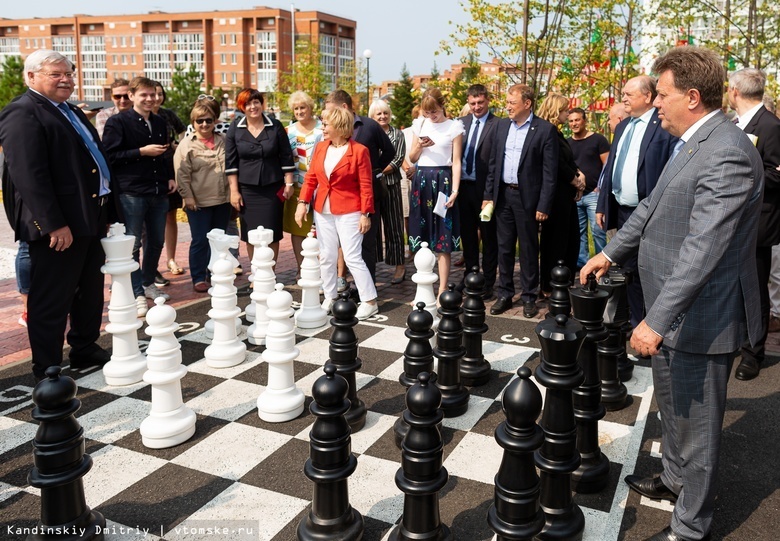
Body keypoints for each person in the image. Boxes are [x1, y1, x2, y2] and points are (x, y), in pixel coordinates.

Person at [581, 46, 764, 541]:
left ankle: (690, 526)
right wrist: (609, 254)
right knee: (675, 408)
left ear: (693, 96)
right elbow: (650, 209)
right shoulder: (690, 141)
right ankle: (675, 480)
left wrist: (655, 320)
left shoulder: (727, 152)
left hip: (702, 313)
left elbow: (703, 251)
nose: (655, 103)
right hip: (670, 305)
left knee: (699, 425)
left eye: (661, 95)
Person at [0, 49, 119, 381]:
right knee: (52, 298)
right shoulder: (22, 113)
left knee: (88, 290)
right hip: (59, 224)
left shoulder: (70, 110)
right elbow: (29, 176)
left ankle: (83, 346)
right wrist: (53, 223)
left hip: (90, 216)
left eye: (69, 73)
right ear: (32, 77)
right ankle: (47, 365)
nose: (66, 79)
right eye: (57, 74)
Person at [596, 75, 678, 329]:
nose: (623, 99)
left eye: (628, 94)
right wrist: (603, 204)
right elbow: (611, 169)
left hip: (650, 212)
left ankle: (653, 324)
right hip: (621, 210)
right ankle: (632, 321)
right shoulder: (622, 127)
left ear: (647, 97)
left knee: (649, 270)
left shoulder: (662, 126)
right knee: (627, 269)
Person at [294, 107, 379, 320]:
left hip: (350, 210)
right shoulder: (321, 147)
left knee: (352, 257)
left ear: (340, 127)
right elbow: (311, 178)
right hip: (323, 209)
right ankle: (330, 296)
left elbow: (366, 185)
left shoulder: (359, 151)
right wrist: (302, 202)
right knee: (327, 256)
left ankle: (370, 300)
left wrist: (365, 214)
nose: (322, 128)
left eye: (326, 124)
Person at [103, 76, 176, 317]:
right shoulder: (117, 122)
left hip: (158, 191)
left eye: (153, 94)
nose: (150, 99)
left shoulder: (160, 122)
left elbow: (165, 154)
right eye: (144, 95)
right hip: (132, 192)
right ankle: (136, 293)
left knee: (156, 241)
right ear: (132, 96)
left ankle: (147, 283)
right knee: (132, 244)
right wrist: (141, 152)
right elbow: (110, 156)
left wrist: (170, 177)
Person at [484, 84, 559, 318]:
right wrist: (488, 196)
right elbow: (493, 165)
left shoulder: (545, 130)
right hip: (503, 195)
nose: (507, 106)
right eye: (506, 102)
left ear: (527, 104)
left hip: (528, 199)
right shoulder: (500, 127)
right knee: (504, 248)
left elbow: (550, 173)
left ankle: (528, 296)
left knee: (528, 249)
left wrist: (544, 205)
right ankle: (505, 294)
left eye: (512, 103)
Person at [727, 68, 780, 381]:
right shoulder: (736, 124)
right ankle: (736, 339)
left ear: (734, 91)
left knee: (755, 290)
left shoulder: (771, 126)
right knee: (734, 287)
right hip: (733, 221)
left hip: (758, 224)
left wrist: (742, 175)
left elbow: (777, 175)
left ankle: (753, 352)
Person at [324, 90, 394, 288]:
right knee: (342, 242)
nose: (328, 118)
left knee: (366, 242)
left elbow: (390, 150)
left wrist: (374, 169)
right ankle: (343, 281)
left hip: (367, 191)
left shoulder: (369, 126)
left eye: (332, 111)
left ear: (344, 107)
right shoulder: (331, 132)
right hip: (342, 193)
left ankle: (366, 286)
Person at [225, 89, 295, 263]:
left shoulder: (275, 125)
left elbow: (286, 156)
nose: (252, 106)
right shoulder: (234, 128)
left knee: (272, 233)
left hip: (272, 188)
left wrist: (289, 184)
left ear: (261, 103)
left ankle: (269, 275)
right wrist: (234, 191)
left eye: (256, 102)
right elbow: (230, 162)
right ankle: (256, 276)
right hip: (247, 190)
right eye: (247, 103)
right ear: (242, 107)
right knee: (251, 234)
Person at [408, 87, 465, 296]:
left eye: (435, 112)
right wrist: (420, 146)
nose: (431, 116)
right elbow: (412, 158)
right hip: (421, 181)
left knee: (443, 237)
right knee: (421, 236)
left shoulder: (454, 127)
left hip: (443, 181)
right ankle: (422, 289)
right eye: (427, 112)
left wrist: (455, 191)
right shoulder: (420, 124)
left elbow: (457, 161)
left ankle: (441, 290)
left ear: (442, 106)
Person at [175, 99, 230, 293]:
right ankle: (198, 276)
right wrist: (188, 197)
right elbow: (182, 174)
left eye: (208, 120)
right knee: (200, 240)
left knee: (219, 240)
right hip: (198, 202)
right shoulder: (187, 145)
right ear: (193, 123)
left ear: (215, 120)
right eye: (199, 121)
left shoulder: (224, 140)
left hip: (222, 200)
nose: (204, 124)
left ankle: (216, 272)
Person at [537, 93, 583, 292]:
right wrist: (575, 181)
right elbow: (556, 164)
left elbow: (568, 161)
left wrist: (579, 174)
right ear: (556, 111)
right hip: (556, 197)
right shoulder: (548, 133)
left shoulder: (557, 132)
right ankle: (553, 283)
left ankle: (561, 280)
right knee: (556, 242)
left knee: (569, 240)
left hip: (565, 196)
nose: (567, 114)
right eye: (565, 110)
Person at [456, 84, 499, 301]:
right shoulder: (460, 123)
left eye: (480, 102)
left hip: (486, 191)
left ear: (487, 100)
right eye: (472, 103)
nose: (476, 107)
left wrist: (489, 195)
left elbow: (495, 164)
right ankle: (470, 275)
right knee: (468, 236)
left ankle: (489, 281)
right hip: (463, 188)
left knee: (489, 237)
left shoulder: (498, 124)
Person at [284, 91, 323, 274]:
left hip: (321, 187)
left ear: (310, 108)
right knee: (297, 228)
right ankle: (302, 268)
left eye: (303, 107)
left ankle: (321, 268)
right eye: (296, 108)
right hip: (297, 186)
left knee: (322, 229)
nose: (300, 111)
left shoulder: (323, 129)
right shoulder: (288, 131)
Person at [369, 100, 407, 284]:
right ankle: (372, 264)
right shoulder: (368, 133)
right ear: (372, 117)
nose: (383, 117)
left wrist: (376, 171)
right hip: (372, 188)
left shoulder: (397, 134)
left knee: (394, 226)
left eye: (385, 113)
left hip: (391, 185)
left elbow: (397, 159)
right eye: (379, 114)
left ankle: (399, 265)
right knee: (373, 228)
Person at [153, 82, 187, 280]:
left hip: (169, 169)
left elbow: (184, 132)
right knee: (150, 222)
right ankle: (152, 265)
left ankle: (171, 259)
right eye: (152, 94)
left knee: (170, 217)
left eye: (159, 94)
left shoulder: (167, 115)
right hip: (149, 173)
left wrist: (177, 146)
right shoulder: (140, 116)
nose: (156, 98)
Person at [568, 107, 610, 268]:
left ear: (584, 120)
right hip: (576, 196)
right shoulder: (568, 143)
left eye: (577, 120)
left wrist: (600, 188)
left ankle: (602, 264)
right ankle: (582, 264)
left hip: (594, 195)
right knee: (578, 233)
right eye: (571, 121)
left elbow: (607, 167)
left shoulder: (598, 140)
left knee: (598, 231)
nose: (574, 123)